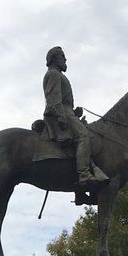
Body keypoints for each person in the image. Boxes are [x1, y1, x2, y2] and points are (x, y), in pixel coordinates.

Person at [43, 45, 108, 187]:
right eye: (62, 57)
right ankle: (84, 174)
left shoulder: (58, 75)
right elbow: (54, 100)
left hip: (67, 111)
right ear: (54, 59)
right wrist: (62, 116)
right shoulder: (54, 74)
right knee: (84, 135)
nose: (65, 59)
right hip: (59, 113)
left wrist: (73, 112)